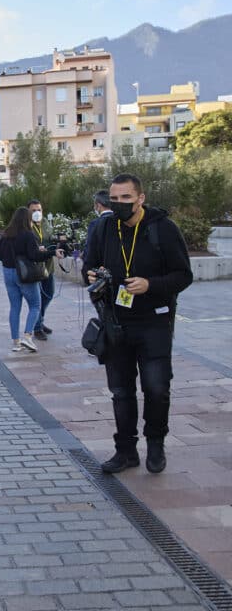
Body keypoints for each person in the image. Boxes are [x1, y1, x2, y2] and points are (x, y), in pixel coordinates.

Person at [84, 173, 193, 475]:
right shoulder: (104, 228)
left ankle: (155, 445)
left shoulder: (163, 229)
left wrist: (150, 285)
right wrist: (93, 276)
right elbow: (88, 267)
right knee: (121, 391)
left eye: (125, 199)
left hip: (154, 322)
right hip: (116, 322)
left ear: (140, 198)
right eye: (114, 198)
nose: (118, 204)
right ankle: (126, 451)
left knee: (156, 388)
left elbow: (183, 275)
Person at [0, 207, 63, 353]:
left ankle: (16, 342)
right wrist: (52, 253)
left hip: (8, 273)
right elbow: (34, 256)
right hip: (24, 275)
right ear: (27, 219)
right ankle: (27, 336)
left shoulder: (6, 235)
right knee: (35, 305)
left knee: (15, 307)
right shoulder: (28, 235)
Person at [27, 200, 56, 340]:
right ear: (28, 212)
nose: (36, 213)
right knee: (37, 299)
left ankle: (40, 320)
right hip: (34, 268)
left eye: (39, 209)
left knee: (49, 294)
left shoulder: (45, 224)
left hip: (48, 266)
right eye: (33, 210)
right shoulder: (26, 226)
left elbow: (50, 239)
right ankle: (37, 327)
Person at [81, 190, 113, 284]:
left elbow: (90, 248)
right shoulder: (120, 221)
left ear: (98, 205)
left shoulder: (95, 224)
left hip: (100, 271)